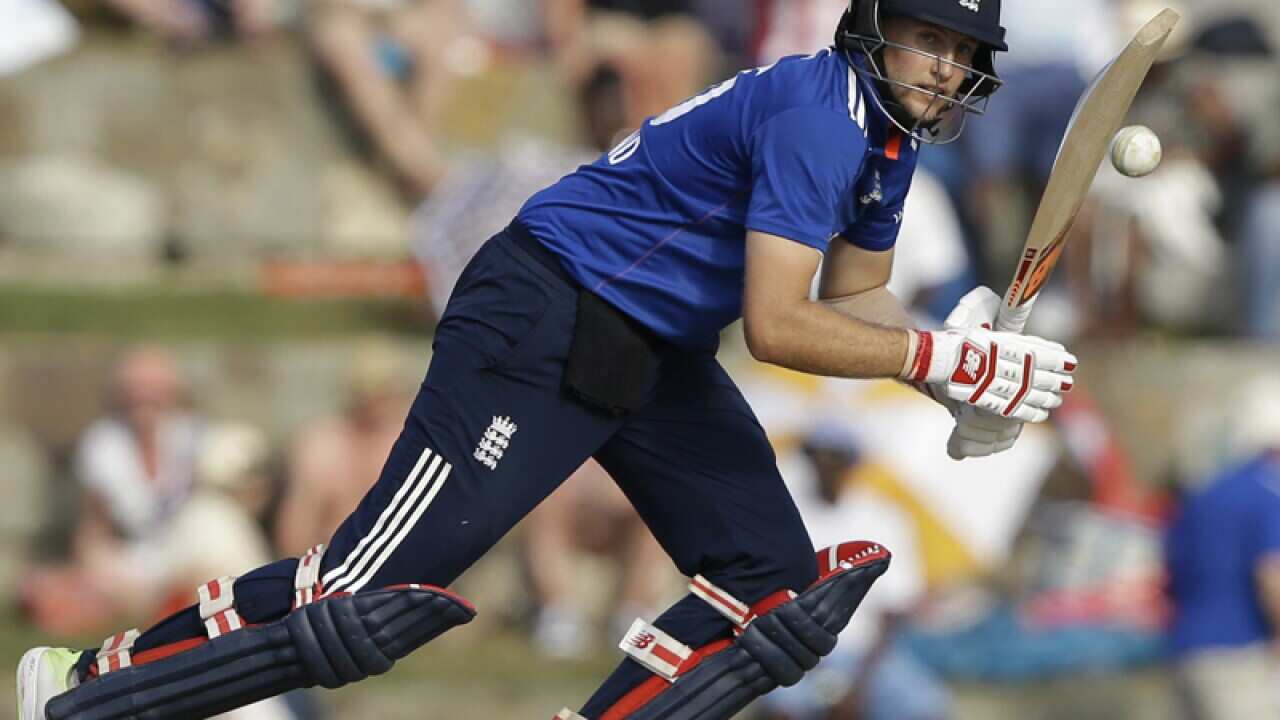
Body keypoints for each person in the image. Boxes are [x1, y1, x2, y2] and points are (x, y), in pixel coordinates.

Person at [17, 2, 1079, 719]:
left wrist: (958, 360)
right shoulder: (818, 115)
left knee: (776, 603)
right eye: (925, 40)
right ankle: (83, 689)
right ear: (873, 28)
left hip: (651, 345)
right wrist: (934, 355)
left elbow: (853, 299)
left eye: (959, 54)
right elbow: (778, 328)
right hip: (545, 311)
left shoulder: (884, 143)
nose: (941, 71)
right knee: (363, 599)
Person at [1165, 375, 1280, 720]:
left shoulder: (1205, 492)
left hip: (1185, 650)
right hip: (1238, 657)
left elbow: (1173, 566)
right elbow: (1272, 576)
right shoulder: (1266, 494)